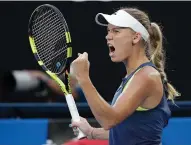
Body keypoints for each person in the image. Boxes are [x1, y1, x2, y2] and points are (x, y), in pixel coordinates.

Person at [70, 7, 180, 145]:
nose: (108, 36)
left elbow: (109, 120)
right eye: (108, 31)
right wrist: (91, 132)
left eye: (116, 31)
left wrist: (84, 79)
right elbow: (128, 131)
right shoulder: (134, 77)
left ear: (136, 37)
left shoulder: (147, 76)